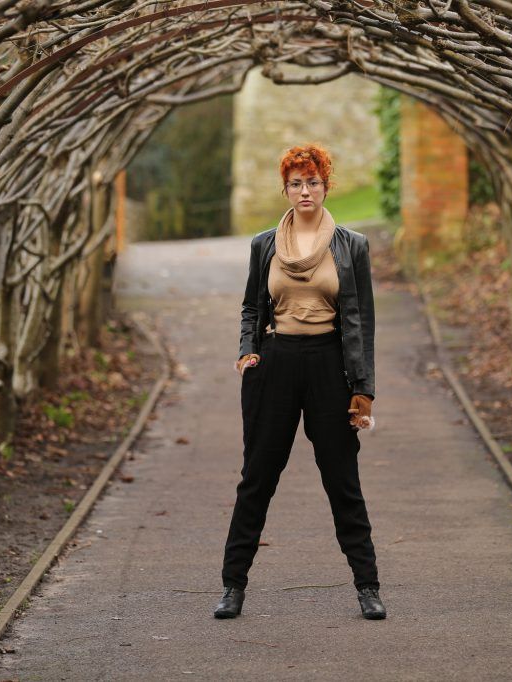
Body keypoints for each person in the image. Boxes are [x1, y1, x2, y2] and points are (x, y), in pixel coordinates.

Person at [215, 143, 385, 620]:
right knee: (257, 478)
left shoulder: (352, 245)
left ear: (325, 186)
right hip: (275, 365)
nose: (305, 190)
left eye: (312, 182)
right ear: (285, 189)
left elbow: (361, 321)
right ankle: (232, 585)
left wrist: (363, 388)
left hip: (329, 365)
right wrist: (248, 350)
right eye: (296, 183)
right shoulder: (264, 244)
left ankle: (368, 586)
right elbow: (252, 305)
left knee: (342, 479)